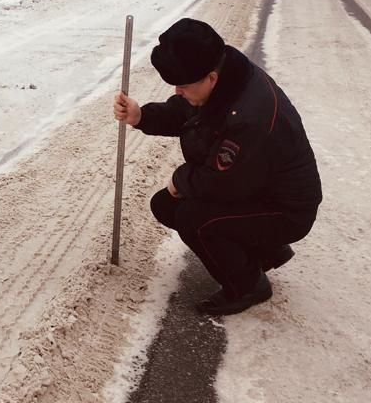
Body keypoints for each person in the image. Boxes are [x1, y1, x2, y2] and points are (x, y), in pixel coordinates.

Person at [113, 17, 322, 316]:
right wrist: (140, 116)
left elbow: (218, 182)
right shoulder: (223, 76)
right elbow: (184, 112)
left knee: (191, 216)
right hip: (258, 187)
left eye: (182, 85)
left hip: (286, 210)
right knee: (165, 204)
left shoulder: (249, 115)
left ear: (210, 78)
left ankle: (248, 285)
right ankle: (263, 250)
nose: (177, 91)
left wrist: (178, 179)